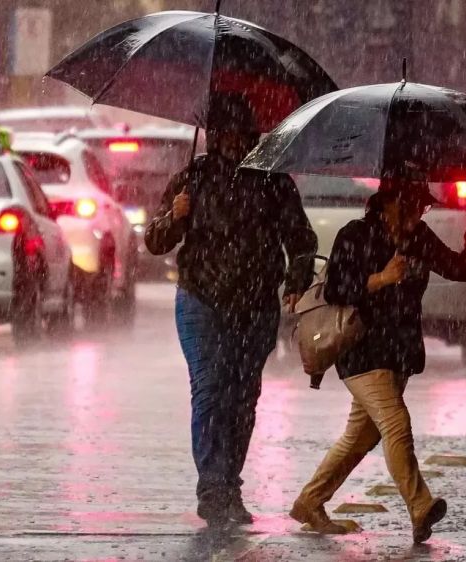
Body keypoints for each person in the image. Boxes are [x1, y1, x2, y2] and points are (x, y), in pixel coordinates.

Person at [145, 95, 317, 526]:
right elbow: (154, 241)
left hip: (256, 308)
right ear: (213, 135)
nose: (232, 143)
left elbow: (301, 239)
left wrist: (295, 280)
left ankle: (229, 484)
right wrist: (175, 216)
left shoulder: (274, 182)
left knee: (242, 398)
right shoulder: (193, 179)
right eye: (224, 135)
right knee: (209, 390)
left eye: (240, 135)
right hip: (201, 301)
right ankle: (212, 487)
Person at [289, 179, 466, 543]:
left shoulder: (418, 236)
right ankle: (420, 506)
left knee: (360, 437)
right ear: (389, 203)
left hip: (398, 351)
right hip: (361, 350)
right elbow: (336, 289)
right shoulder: (356, 235)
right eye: (412, 207)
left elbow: (452, 268)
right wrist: (380, 279)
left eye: (423, 209)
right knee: (396, 423)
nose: (418, 215)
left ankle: (310, 501)